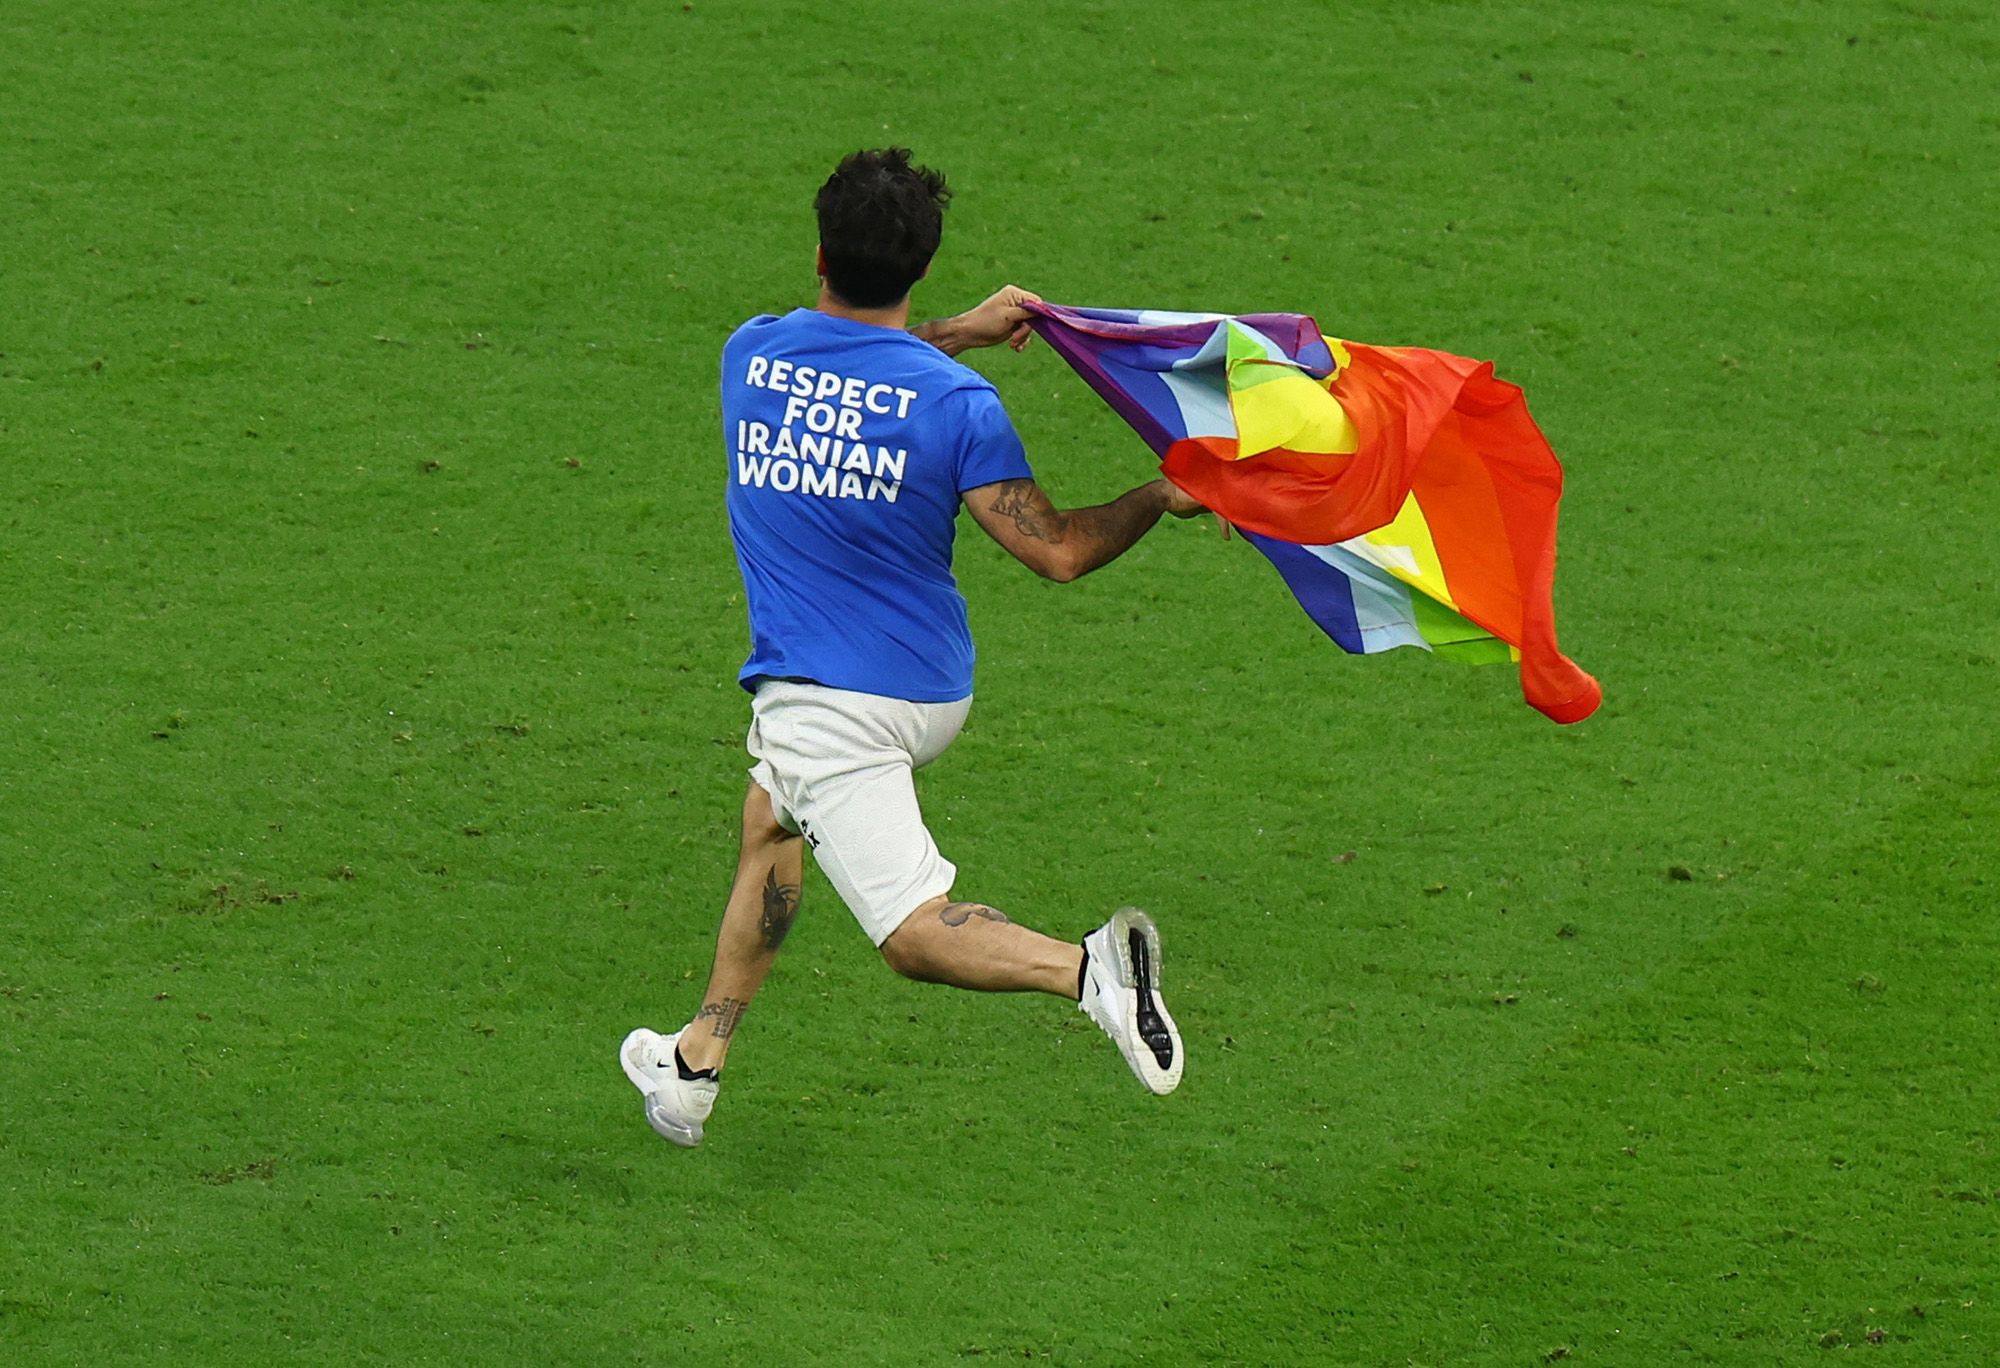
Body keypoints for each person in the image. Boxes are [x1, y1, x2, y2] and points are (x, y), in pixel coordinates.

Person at [621, 148, 1205, 1146]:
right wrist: (1156, 491)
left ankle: (1089, 970)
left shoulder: (749, 355)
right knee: (771, 820)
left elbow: (847, 366)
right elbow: (1056, 551)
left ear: (817, 250)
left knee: (909, 935)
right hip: (927, 683)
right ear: (921, 269)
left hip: (829, 702)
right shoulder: (956, 406)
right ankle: (694, 1066)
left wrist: (950, 337)